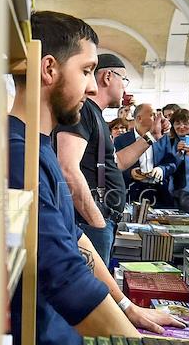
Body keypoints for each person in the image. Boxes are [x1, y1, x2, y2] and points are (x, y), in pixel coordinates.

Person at [7, 11, 180, 345]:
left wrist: (126, 306)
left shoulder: (37, 145)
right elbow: (62, 272)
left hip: (59, 339)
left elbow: (73, 236)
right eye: (86, 70)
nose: (90, 86)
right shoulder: (18, 153)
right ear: (49, 69)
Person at [55, 54, 166, 264]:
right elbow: (66, 168)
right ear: (107, 77)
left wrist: (151, 137)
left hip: (97, 220)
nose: (125, 88)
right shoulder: (84, 111)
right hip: (90, 223)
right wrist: (98, 222)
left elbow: (116, 163)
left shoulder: (95, 114)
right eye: (124, 80)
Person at [117, 103, 175, 206]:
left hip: (159, 193)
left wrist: (161, 170)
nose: (157, 119)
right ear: (139, 118)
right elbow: (114, 166)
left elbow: (171, 163)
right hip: (131, 193)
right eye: (153, 115)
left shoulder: (162, 138)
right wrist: (130, 173)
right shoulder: (121, 140)